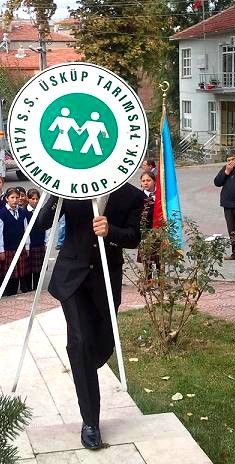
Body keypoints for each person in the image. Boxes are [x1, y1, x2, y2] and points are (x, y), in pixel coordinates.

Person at [35, 183, 144, 450]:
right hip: (72, 277)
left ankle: (84, 365)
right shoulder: (71, 185)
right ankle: (91, 423)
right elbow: (41, 223)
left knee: (103, 343)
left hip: (105, 280)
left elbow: (133, 237)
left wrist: (111, 231)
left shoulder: (131, 195)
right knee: (80, 342)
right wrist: (56, 194)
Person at [0, 187, 30, 296]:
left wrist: (27, 246)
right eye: (12, 197)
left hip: (20, 247)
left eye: (17, 197)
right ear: (7, 199)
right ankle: (10, 294)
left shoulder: (22, 212)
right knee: (11, 274)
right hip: (8, 248)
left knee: (21, 272)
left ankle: (23, 293)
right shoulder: (1, 214)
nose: (15, 200)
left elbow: (26, 230)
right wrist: (1, 250)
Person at [25, 188, 47, 291]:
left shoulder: (42, 211)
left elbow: (47, 228)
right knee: (28, 270)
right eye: (32, 199)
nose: (35, 201)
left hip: (40, 243)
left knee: (38, 270)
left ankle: (37, 289)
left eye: (37, 199)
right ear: (27, 199)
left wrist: (46, 243)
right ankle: (28, 289)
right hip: (30, 245)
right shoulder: (24, 212)